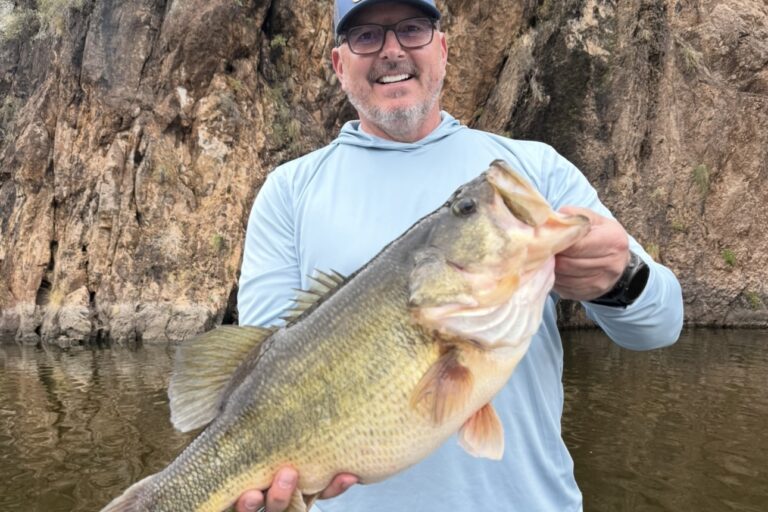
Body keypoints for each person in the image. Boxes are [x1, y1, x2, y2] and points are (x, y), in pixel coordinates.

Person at [234, 0, 684, 510]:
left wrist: (620, 278)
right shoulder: (288, 192)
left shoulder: (533, 172)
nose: (392, 50)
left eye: (412, 29)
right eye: (365, 36)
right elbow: (259, 373)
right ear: (340, 65)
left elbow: (660, 325)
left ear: (442, 50)